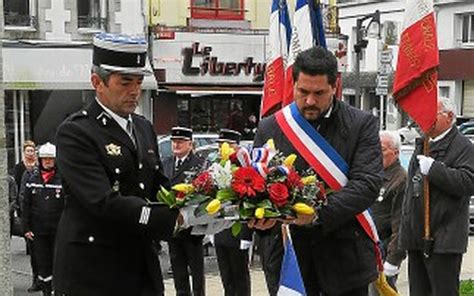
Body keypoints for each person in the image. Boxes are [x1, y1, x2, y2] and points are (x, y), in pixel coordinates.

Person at [53, 32, 183, 296]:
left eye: (138, 81)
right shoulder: (76, 132)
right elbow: (102, 202)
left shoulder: (143, 127)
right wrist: (170, 218)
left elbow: (157, 185)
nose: (134, 91)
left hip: (140, 263)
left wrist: (197, 200)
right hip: (93, 270)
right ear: (96, 82)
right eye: (124, 82)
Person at [250, 46, 383, 296]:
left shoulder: (361, 124)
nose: (310, 101)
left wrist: (315, 214)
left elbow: (367, 184)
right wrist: (259, 219)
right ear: (293, 85)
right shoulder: (271, 127)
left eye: (319, 93)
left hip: (344, 261)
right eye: (303, 92)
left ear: (335, 86)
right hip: (288, 260)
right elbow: (257, 183)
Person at [399, 96, 474, 296]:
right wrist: (405, 236)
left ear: (449, 117)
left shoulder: (464, 147)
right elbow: (410, 194)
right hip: (417, 237)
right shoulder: (423, 143)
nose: (424, 119)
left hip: (445, 239)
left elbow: (468, 182)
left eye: (432, 114)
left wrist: (435, 170)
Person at [162, 127, 205, 296]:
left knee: (196, 271)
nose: (176, 144)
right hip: (173, 225)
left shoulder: (199, 163)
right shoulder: (166, 163)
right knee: (178, 269)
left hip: (193, 226)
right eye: (174, 141)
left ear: (190, 143)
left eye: (180, 141)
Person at [214, 129, 253, 296]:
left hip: (238, 230)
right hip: (220, 229)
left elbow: (250, 202)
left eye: (227, 145)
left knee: (240, 277)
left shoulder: (244, 168)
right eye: (220, 146)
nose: (221, 149)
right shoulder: (216, 167)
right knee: (226, 277)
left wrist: (246, 236)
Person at [22, 142, 64, 296]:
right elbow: (26, 204)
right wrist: (26, 228)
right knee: (42, 264)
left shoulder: (62, 179)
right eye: (45, 159)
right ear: (40, 160)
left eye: (50, 159)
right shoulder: (32, 179)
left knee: (58, 263)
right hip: (38, 232)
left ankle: (57, 290)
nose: (47, 162)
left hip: (58, 230)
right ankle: (46, 291)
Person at [368, 131, 407, 295]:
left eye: (382, 149)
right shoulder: (372, 175)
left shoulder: (401, 180)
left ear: (396, 153)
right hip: (367, 248)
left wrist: (393, 259)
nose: (377, 153)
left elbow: (402, 224)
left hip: (384, 250)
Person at [13, 140, 40, 292]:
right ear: (24, 152)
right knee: (33, 250)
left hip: (42, 213)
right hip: (27, 212)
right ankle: (36, 278)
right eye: (28, 151)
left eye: (32, 150)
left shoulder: (40, 166)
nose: (31, 153)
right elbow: (19, 191)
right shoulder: (20, 169)